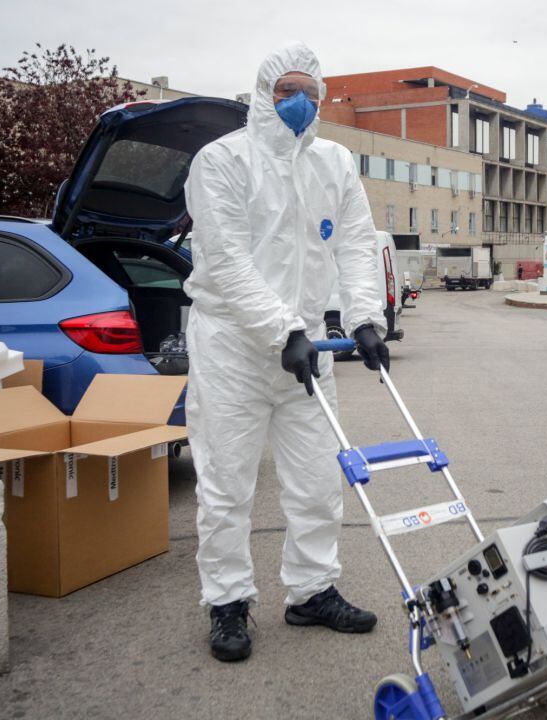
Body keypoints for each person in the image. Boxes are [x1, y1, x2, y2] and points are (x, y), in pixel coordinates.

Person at [183, 43, 390, 663]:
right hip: (234, 349)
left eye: (311, 92)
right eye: (286, 90)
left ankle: (312, 591)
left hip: (307, 350)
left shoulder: (334, 162)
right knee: (226, 484)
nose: (300, 102)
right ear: (262, 92)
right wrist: (282, 331)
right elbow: (225, 259)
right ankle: (227, 603)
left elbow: (355, 244)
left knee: (318, 481)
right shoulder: (221, 161)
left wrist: (364, 318)